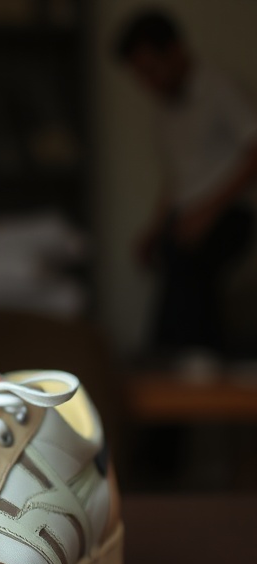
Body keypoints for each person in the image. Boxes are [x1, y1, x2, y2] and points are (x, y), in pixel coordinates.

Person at [116, 9, 257, 356]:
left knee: (189, 265)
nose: (149, 82)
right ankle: (176, 359)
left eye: (151, 70)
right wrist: (153, 228)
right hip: (189, 214)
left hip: (230, 211)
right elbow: (177, 180)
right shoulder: (165, 112)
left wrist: (207, 212)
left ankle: (188, 358)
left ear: (175, 51)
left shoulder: (220, 89)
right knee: (168, 258)